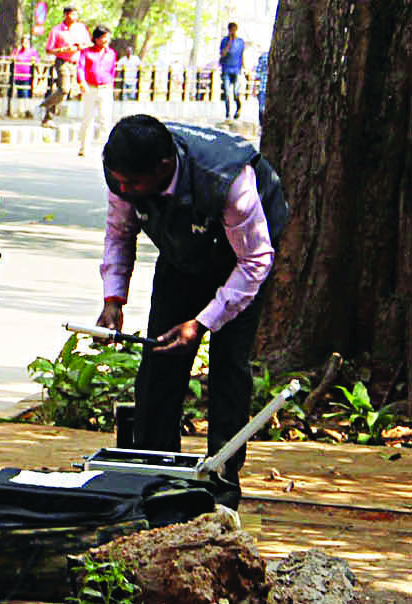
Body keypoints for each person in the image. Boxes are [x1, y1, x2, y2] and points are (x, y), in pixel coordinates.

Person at [95, 115, 289, 479]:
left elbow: (254, 262)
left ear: (163, 168)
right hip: (182, 252)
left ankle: (222, 476)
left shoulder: (228, 182)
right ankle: (155, 472)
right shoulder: (124, 174)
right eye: (118, 181)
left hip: (243, 257)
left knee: (229, 365)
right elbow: (119, 233)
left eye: (133, 183)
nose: (123, 188)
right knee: (159, 359)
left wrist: (201, 324)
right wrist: (113, 299)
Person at [38, 6, 89, 126]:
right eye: (72, 14)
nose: (74, 17)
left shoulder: (80, 28)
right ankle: (42, 106)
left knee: (67, 93)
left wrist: (79, 47)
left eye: (76, 14)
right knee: (64, 89)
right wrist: (64, 50)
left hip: (76, 63)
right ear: (65, 15)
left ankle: (48, 118)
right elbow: (48, 50)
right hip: (62, 62)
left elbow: (88, 43)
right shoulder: (57, 30)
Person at [76, 25, 117, 158]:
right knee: (87, 118)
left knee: (105, 119)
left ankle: (107, 149)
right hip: (90, 88)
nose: (106, 40)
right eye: (103, 37)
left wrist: (111, 84)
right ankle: (84, 147)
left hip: (105, 88)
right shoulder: (87, 52)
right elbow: (80, 68)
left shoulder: (111, 53)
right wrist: (81, 82)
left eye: (108, 37)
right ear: (96, 38)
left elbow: (112, 71)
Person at [219, 22, 245, 119]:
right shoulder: (224, 41)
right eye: (231, 30)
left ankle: (238, 108)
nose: (233, 32)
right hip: (226, 69)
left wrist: (243, 67)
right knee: (226, 92)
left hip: (237, 70)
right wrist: (229, 42)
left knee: (235, 92)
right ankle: (228, 112)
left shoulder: (240, 42)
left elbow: (242, 55)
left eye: (234, 30)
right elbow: (222, 54)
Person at [255, 47, 270, 127]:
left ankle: (261, 125)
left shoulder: (263, 56)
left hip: (262, 87)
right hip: (271, 87)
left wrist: (255, 88)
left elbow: (257, 74)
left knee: (261, 108)